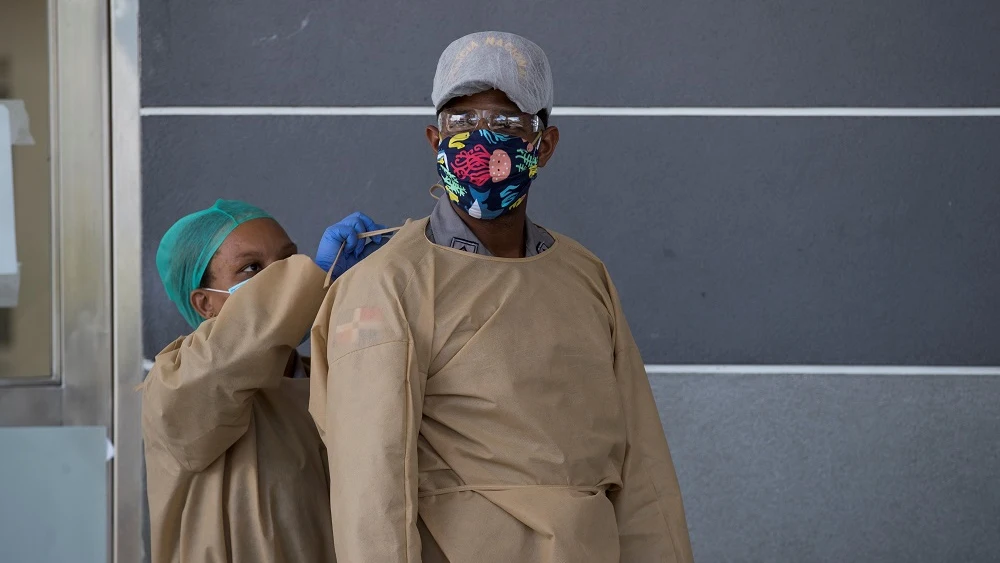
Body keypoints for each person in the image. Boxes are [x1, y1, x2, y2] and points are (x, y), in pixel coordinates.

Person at [308, 32, 694, 562]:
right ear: (434, 139)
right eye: (461, 122)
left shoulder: (583, 275)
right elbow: (370, 486)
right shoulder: (387, 283)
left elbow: (641, 463)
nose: (483, 138)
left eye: (508, 123)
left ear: (546, 143)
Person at [141, 199, 385, 563]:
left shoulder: (329, 376)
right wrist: (312, 280)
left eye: (289, 261)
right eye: (251, 268)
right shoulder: (178, 385)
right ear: (205, 303)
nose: (283, 277)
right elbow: (231, 355)